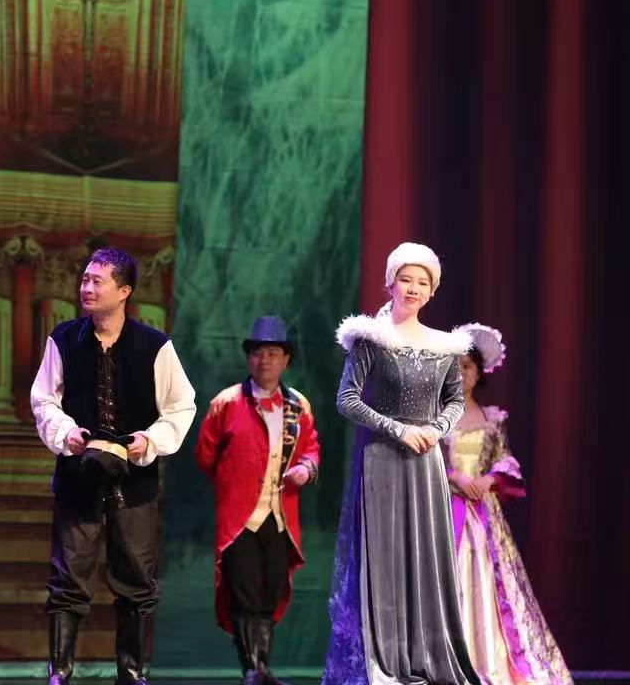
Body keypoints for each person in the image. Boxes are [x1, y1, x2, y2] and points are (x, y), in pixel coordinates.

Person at [30, 248, 197, 685]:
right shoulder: (64, 339)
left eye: (97, 281)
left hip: (134, 480)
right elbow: (44, 400)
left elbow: (181, 406)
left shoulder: (154, 345)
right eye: (85, 279)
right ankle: (60, 672)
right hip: (78, 477)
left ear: (124, 291)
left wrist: (149, 441)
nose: (86, 287)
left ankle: (132, 672)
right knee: (68, 577)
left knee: (137, 579)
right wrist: (66, 433)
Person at [322, 242, 480, 685]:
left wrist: (437, 427)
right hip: (382, 460)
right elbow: (346, 399)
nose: (413, 288)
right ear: (390, 283)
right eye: (405, 279)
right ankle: (385, 659)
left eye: (422, 282)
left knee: (425, 556)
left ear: (432, 291)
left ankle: (426, 655)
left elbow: (454, 400)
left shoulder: (445, 345)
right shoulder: (371, 338)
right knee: (384, 560)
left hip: (426, 462)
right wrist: (398, 430)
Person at [442, 323, 572, 684]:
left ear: (479, 372)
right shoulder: (438, 418)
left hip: (484, 515)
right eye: (455, 366)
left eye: (467, 367)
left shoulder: (491, 418)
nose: (461, 374)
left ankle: (486, 658)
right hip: (446, 510)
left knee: (487, 581)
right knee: (447, 578)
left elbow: (505, 460)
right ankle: (445, 661)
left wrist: (487, 479)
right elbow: (426, 463)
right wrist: (455, 478)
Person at [195, 315, 320, 685]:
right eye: (258, 353)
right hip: (240, 519)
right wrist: (236, 482)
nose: (265, 361)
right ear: (248, 359)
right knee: (244, 591)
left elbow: (311, 448)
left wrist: (306, 469)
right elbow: (205, 455)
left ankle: (261, 667)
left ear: (286, 360)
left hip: (281, 516)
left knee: (270, 591)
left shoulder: (299, 406)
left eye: (273, 353)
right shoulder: (226, 403)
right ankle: (251, 669)